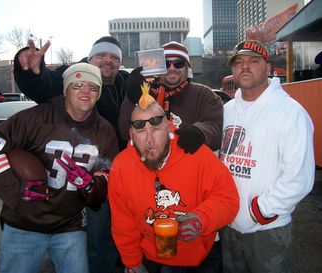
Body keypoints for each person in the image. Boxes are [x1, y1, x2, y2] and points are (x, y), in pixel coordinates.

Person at [0, 63, 118, 273]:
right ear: (65, 89)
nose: (85, 91)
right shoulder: (35, 118)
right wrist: (16, 192)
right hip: (24, 225)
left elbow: (107, 177)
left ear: (98, 93)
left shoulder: (105, 130)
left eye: (93, 87)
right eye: (77, 85)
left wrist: (93, 187)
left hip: (71, 225)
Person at [13, 36, 128, 273]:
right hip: (72, 176)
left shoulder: (125, 83)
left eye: (114, 57)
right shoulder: (73, 74)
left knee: (106, 236)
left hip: (111, 176)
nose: (108, 61)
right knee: (76, 240)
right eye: (101, 55)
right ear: (89, 58)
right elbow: (44, 83)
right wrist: (31, 72)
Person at [108, 96, 239, 273]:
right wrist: (132, 262)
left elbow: (228, 198)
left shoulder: (197, 155)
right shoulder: (121, 167)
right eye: (140, 131)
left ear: (169, 128)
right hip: (151, 257)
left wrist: (200, 219)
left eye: (156, 129)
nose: (149, 140)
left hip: (199, 257)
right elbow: (123, 223)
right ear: (131, 135)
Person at [219, 40, 315, 273]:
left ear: (268, 68)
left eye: (254, 61)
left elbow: (299, 179)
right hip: (228, 226)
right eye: (239, 62)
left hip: (267, 229)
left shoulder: (290, 113)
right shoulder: (227, 110)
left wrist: (259, 210)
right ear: (232, 69)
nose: (245, 67)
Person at [119, 41, 223, 154]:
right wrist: (131, 98)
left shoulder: (204, 94)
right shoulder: (145, 93)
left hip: (188, 166)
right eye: (166, 63)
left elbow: (216, 129)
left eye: (178, 63)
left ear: (187, 67)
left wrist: (200, 131)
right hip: (150, 166)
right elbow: (125, 132)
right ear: (159, 68)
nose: (172, 68)